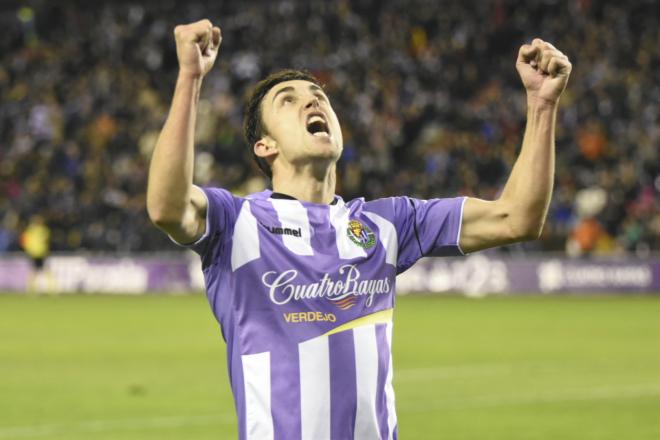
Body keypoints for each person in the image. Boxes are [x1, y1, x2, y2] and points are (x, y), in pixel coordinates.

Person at [146, 19, 571, 440]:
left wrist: (542, 105)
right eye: (288, 101)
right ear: (265, 146)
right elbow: (167, 206)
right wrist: (189, 78)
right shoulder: (235, 222)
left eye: (318, 97)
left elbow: (517, 217)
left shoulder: (387, 223)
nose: (312, 104)